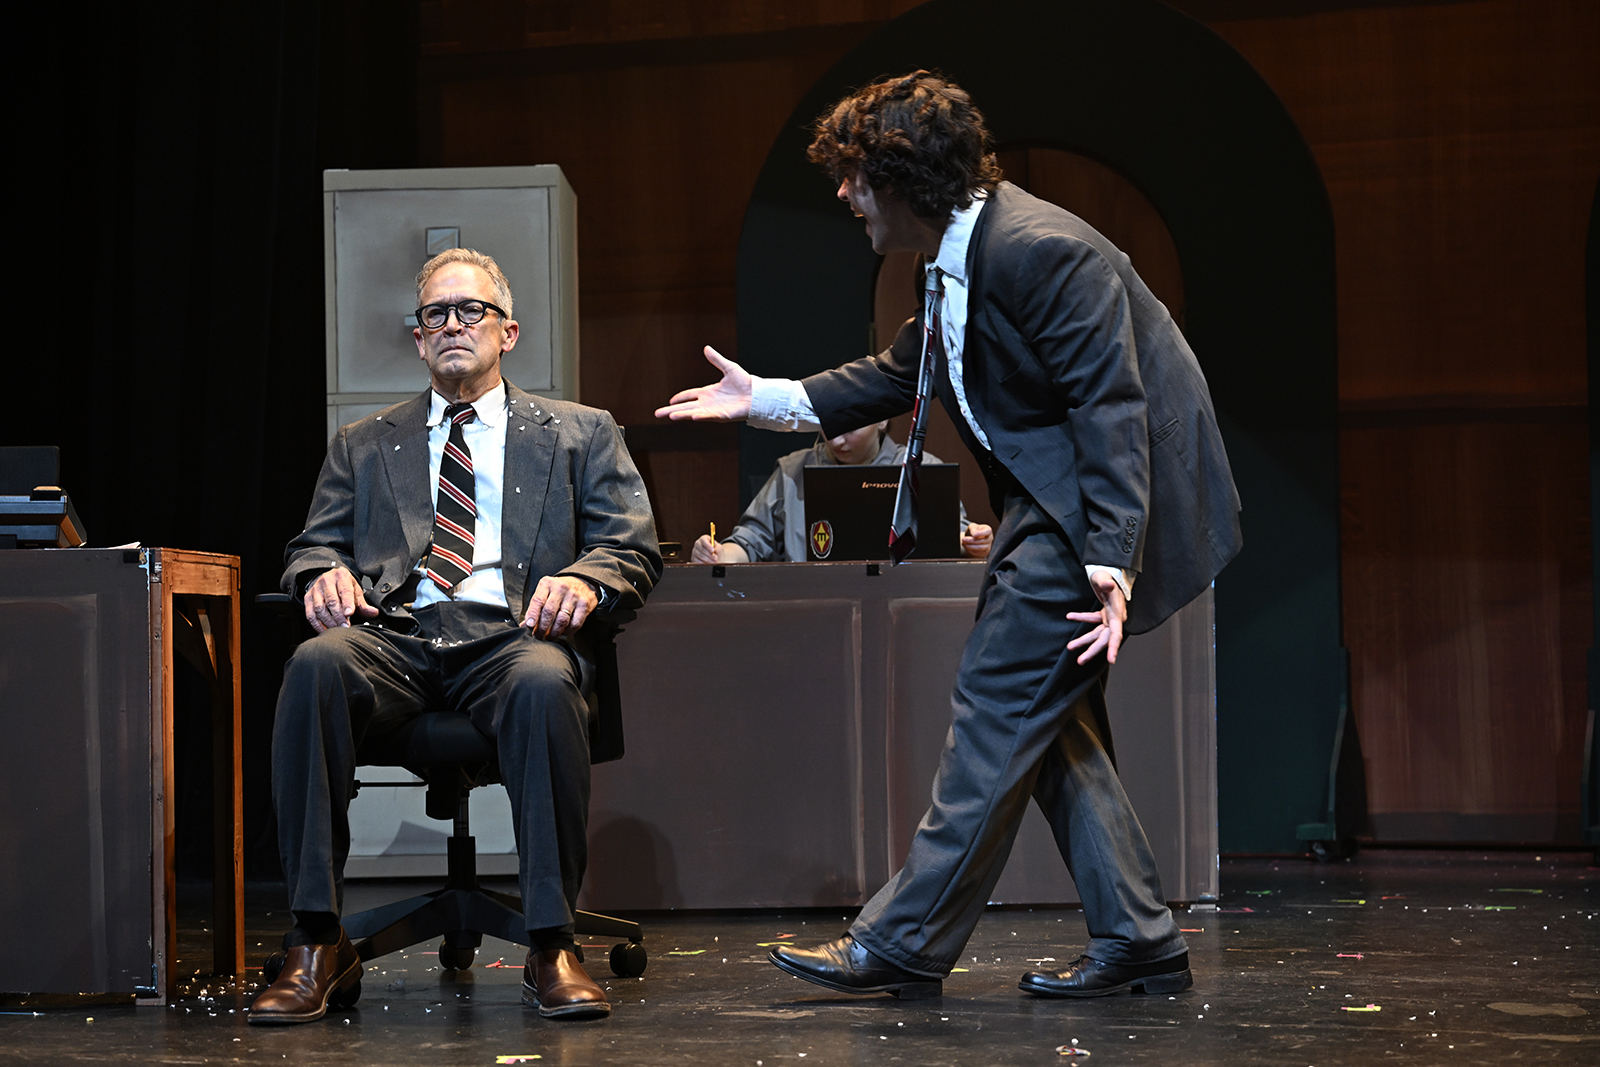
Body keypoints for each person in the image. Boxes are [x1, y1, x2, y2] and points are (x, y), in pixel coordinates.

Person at [657, 72, 1241, 1000]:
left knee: (996, 708)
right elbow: (901, 373)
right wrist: (763, 397)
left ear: (904, 179)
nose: (844, 195)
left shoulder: (1040, 249)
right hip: (1052, 506)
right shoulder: (957, 255)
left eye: (855, 177)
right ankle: (1139, 935)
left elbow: (1111, 403)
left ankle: (902, 940)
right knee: (1052, 726)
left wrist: (1110, 558)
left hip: (1084, 510)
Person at [249, 248, 660, 1025]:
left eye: (471, 310)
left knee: (543, 680)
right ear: (418, 339)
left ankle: (550, 941)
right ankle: (315, 939)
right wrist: (321, 575)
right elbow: (312, 547)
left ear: (508, 331)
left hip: (512, 634)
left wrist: (585, 580)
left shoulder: (581, 433)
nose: (452, 325)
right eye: (435, 314)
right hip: (396, 637)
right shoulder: (364, 442)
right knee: (315, 665)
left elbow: (631, 546)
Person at [690, 419, 992, 563]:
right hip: (813, 611)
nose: (836, 441)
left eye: (850, 428)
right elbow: (751, 542)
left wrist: (974, 541)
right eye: (828, 425)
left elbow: (956, 538)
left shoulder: (921, 469)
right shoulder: (792, 471)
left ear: (883, 420)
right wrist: (719, 554)